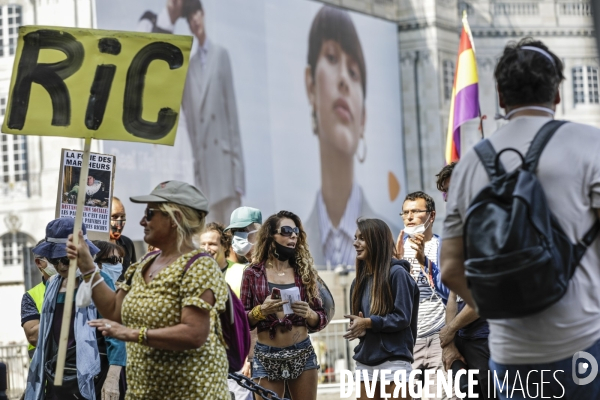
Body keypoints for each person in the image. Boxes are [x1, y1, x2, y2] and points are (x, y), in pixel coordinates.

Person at [441, 38, 600, 398]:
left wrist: (500, 304)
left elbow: (450, 269)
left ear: (499, 95)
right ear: (557, 92)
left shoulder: (470, 165)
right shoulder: (591, 144)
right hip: (583, 346)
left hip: (510, 354)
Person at [66, 180, 230, 399]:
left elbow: (194, 333)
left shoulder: (200, 265)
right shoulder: (145, 262)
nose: (143, 221)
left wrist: (132, 334)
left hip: (192, 393)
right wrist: (87, 266)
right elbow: (115, 310)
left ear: (175, 219)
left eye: (150, 214)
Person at [303, 5, 398, 269]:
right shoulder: (295, 239)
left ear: (363, 117)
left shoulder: (392, 235)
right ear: (310, 84)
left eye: (354, 73)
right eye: (332, 58)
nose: (344, 79)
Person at [138, 0, 244, 224]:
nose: (194, 20)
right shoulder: (188, 63)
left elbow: (232, 118)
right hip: (197, 167)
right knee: (208, 235)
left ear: (203, 14)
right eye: (190, 16)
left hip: (221, 166)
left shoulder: (219, 55)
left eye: (196, 13)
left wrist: (239, 178)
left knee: (233, 235)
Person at [25, 218, 125, 400]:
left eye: (65, 259)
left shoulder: (99, 281)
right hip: (59, 379)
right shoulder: (53, 285)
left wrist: (112, 378)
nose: (61, 266)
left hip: (95, 378)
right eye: (55, 260)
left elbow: (116, 333)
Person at [241, 210, 327, 400]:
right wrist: (261, 311)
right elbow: (243, 320)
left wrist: (309, 313)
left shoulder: (304, 272)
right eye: (286, 230)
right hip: (266, 355)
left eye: (296, 231)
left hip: (302, 352)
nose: (293, 235)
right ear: (271, 236)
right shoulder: (252, 273)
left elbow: (321, 316)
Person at [435, 163, 493, 400]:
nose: (449, 199)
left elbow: (483, 299)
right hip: (462, 342)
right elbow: (453, 294)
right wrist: (449, 344)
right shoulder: (457, 234)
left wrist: (450, 329)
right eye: (446, 192)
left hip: (488, 341)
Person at [344, 218, 418, 400]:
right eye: (355, 238)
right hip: (365, 361)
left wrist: (369, 322)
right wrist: (360, 329)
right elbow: (363, 324)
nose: (356, 243)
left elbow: (402, 318)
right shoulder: (358, 282)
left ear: (377, 240)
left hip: (395, 362)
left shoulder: (398, 274)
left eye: (362, 238)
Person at [397, 191, 450, 399]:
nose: (409, 217)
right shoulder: (398, 249)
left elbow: (450, 292)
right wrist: (396, 266)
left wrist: (423, 261)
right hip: (410, 341)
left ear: (432, 216)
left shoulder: (442, 247)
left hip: (439, 337)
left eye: (415, 211)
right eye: (405, 212)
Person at [199, 222, 252, 400]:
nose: (207, 248)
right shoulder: (195, 274)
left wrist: (248, 358)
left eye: (213, 244)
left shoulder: (242, 272)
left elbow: (250, 321)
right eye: (203, 244)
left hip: (236, 362)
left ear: (225, 246)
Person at [21, 241, 57, 358]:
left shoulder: (82, 287)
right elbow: (33, 336)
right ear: (39, 262)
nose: (60, 262)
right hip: (45, 373)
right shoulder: (31, 296)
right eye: (54, 258)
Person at [110, 197, 137, 279]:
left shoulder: (127, 243)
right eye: (114, 217)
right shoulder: (93, 246)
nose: (119, 224)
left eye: (122, 217)